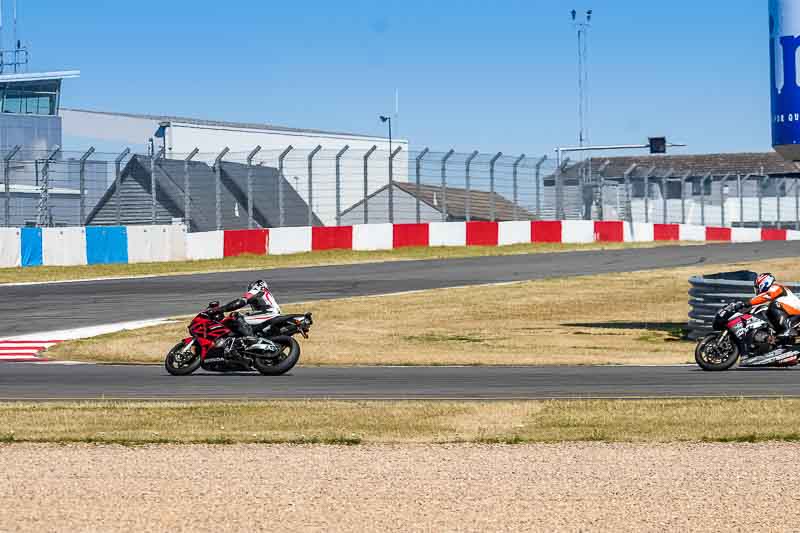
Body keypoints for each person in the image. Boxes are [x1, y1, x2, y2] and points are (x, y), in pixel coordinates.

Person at [206, 280, 282, 343]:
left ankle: (252, 341)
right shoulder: (265, 296)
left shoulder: (257, 290)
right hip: (270, 316)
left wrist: (221, 309)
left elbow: (240, 302)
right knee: (244, 317)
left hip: (269, 314)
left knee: (235, 316)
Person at [736, 273, 800, 342]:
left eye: (757, 287)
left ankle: (788, 329)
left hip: (797, 310)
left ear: (764, 283)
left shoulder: (776, 287)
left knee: (774, 304)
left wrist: (746, 303)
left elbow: (766, 295)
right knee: (766, 310)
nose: (757, 290)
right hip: (791, 313)